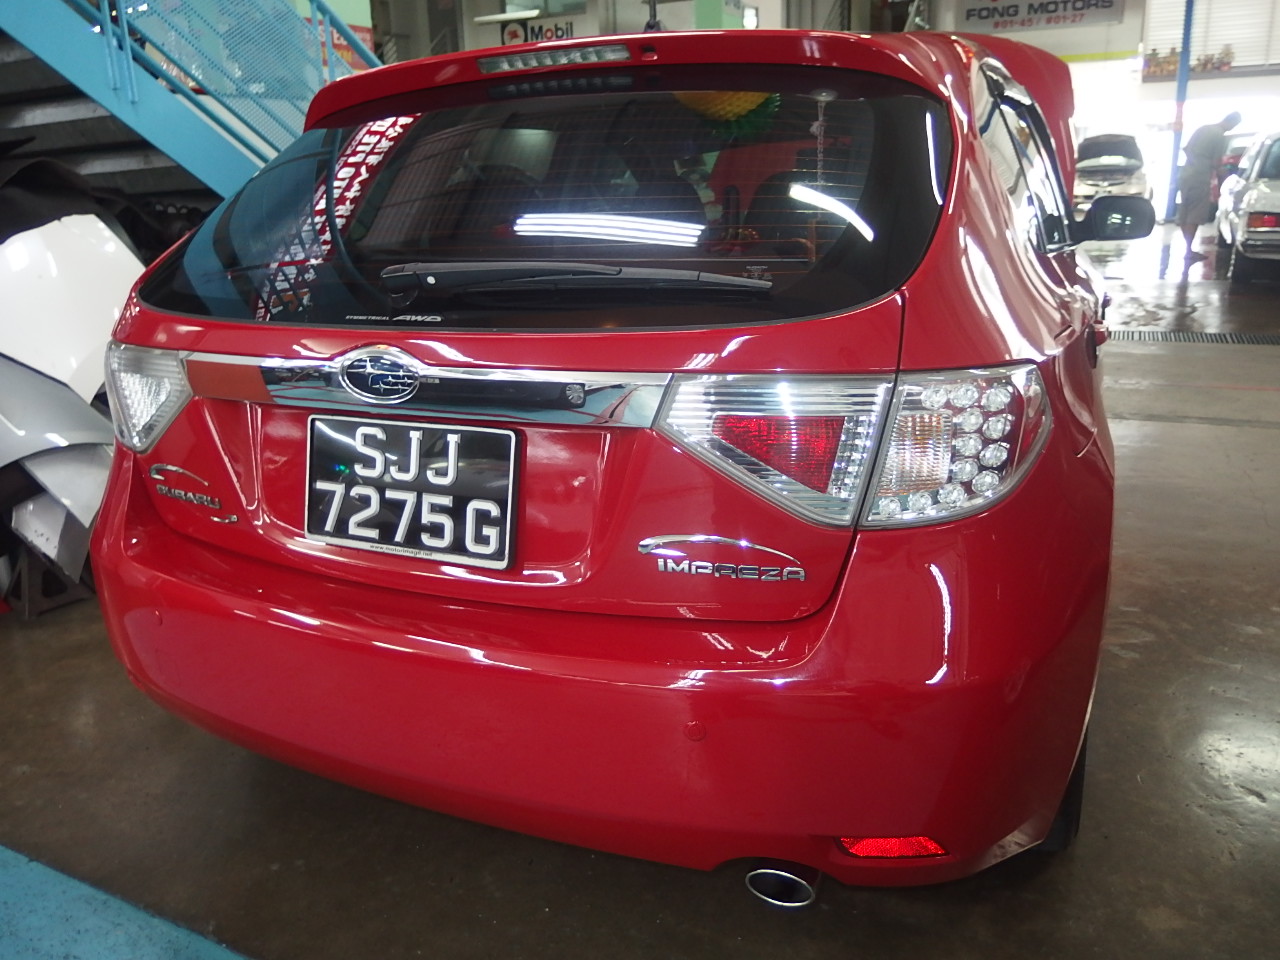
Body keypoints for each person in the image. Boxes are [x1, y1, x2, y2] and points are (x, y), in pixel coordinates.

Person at [1177, 111, 1242, 263]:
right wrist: (1225, 177)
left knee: (1184, 212)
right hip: (1200, 177)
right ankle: (1188, 250)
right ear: (1232, 123)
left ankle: (1188, 249)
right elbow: (1216, 162)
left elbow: (1186, 149)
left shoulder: (1203, 128)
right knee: (1194, 214)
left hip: (1185, 174)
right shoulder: (1219, 136)